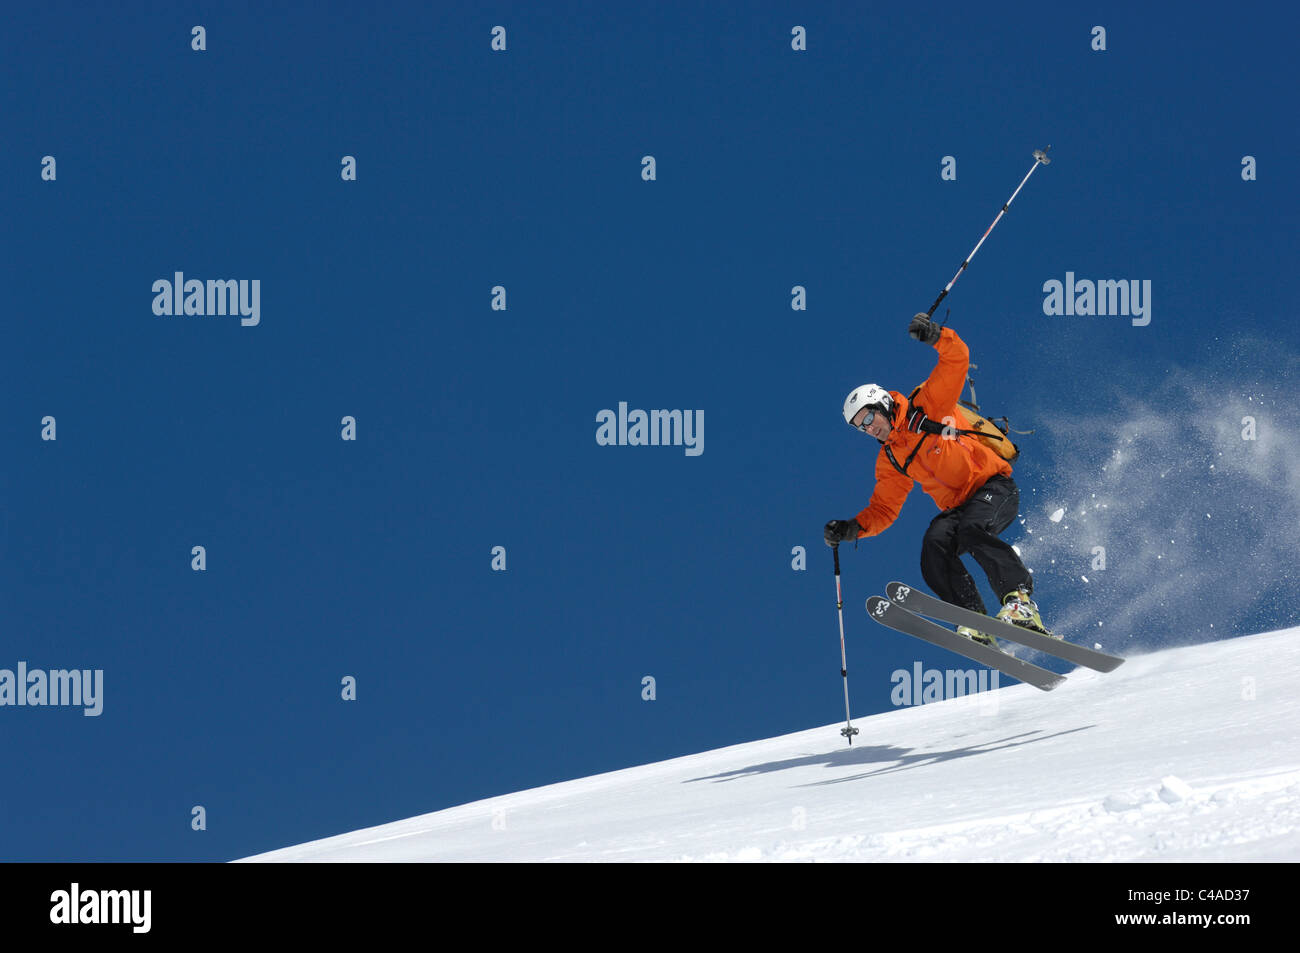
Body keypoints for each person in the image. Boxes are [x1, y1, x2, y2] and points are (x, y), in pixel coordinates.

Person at [823, 313, 1051, 645]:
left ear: (883, 404)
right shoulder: (891, 458)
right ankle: (973, 619)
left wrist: (935, 335)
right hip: (960, 507)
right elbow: (885, 509)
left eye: (869, 416)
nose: (869, 427)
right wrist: (850, 528)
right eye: (861, 426)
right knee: (934, 545)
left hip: (994, 487)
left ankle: (1020, 603)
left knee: (973, 530)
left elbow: (957, 359)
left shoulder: (927, 405)